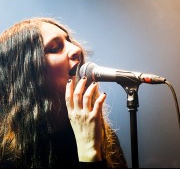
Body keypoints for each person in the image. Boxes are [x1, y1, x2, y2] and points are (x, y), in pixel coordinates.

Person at [0, 17, 128, 168]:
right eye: (54, 48)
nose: (77, 50)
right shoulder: (7, 156)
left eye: (69, 41)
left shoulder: (99, 133)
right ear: (28, 75)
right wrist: (88, 153)